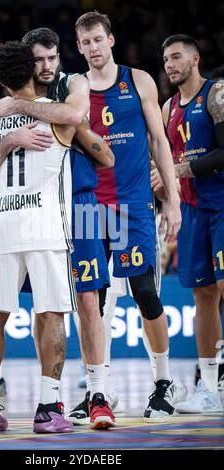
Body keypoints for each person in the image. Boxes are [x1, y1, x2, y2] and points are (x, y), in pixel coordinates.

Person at [0, 28, 117, 429]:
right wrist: (15, 128)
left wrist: (8, 121)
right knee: (55, 310)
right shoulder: (39, 112)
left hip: (24, 219)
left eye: (51, 58)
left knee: (0, 312)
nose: (46, 65)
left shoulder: (65, 87)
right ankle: (50, 406)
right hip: (47, 222)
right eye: (37, 60)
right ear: (28, 65)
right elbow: (97, 144)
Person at [74, 11, 181, 422]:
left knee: (145, 293)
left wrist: (171, 199)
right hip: (88, 207)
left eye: (98, 39)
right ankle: (98, 391)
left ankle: (163, 384)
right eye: (86, 43)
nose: (93, 48)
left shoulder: (137, 81)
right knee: (91, 302)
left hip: (133, 206)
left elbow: (159, 140)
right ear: (79, 47)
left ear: (111, 39)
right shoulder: (75, 86)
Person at [154, 34, 224, 413]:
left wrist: (178, 170)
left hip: (223, 204)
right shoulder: (167, 108)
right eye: (165, 59)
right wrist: (167, 198)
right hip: (193, 210)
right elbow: (165, 164)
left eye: (177, 57)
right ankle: (210, 386)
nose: (170, 64)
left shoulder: (217, 93)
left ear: (195, 59)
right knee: (204, 295)